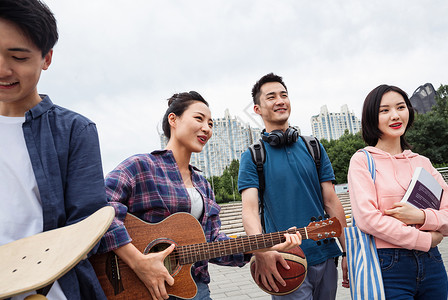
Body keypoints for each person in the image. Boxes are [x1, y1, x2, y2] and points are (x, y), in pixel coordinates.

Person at [99, 91, 302, 300]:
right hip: (142, 289)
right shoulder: (141, 166)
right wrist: (137, 262)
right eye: (199, 119)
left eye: (211, 124)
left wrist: (263, 246)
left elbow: (212, 243)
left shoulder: (202, 185)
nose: (207, 128)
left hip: (193, 289)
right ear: (173, 119)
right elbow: (99, 209)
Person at [0, 0, 108, 299]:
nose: (3, 69)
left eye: (18, 56)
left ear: (46, 58)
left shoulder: (75, 131)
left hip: (49, 290)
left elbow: (87, 225)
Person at [238, 73, 348, 300]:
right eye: (271, 97)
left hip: (326, 255)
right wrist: (262, 252)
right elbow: (249, 211)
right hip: (285, 262)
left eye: (284, 95)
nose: (280, 100)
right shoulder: (252, 157)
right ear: (257, 109)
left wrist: (348, 251)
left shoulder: (313, 147)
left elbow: (331, 201)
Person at [347, 84, 448, 299]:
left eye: (401, 107)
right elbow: (368, 219)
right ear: (371, 117)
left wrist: (422, 216)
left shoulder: (423, 163)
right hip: (387, 265)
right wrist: (425, 239)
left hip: (432, 264)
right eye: (384, 110)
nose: (395, 115)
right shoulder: (362, 161)